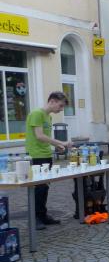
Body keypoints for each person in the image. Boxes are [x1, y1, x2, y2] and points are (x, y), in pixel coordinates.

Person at [25, 91, 70, 230]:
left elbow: (46, 138)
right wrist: (60, 142)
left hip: (45, 154)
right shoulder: (37, 114)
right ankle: (35, 218)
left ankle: (42, 215)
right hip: (36, 155)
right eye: (60, 105)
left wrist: (57, 146)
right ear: (52, 101)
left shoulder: (48, 117)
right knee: (38, 188)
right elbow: (39, 136)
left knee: (44, 187)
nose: (61, 109)